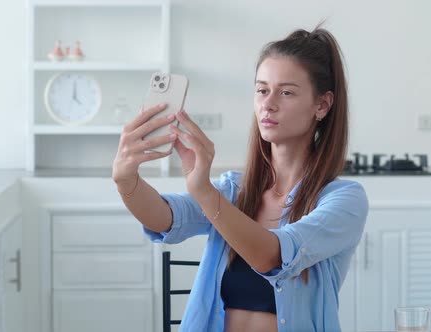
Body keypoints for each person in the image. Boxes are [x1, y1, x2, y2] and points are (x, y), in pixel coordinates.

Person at [112, 24, 369, 332]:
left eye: (286, 92)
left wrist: (204, 191)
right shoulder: (235, 191)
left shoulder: (344, 200)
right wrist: (127, 181)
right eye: (262, 90)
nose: (268, 103)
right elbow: (165, 217)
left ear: (322, 105)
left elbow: (271, 256)